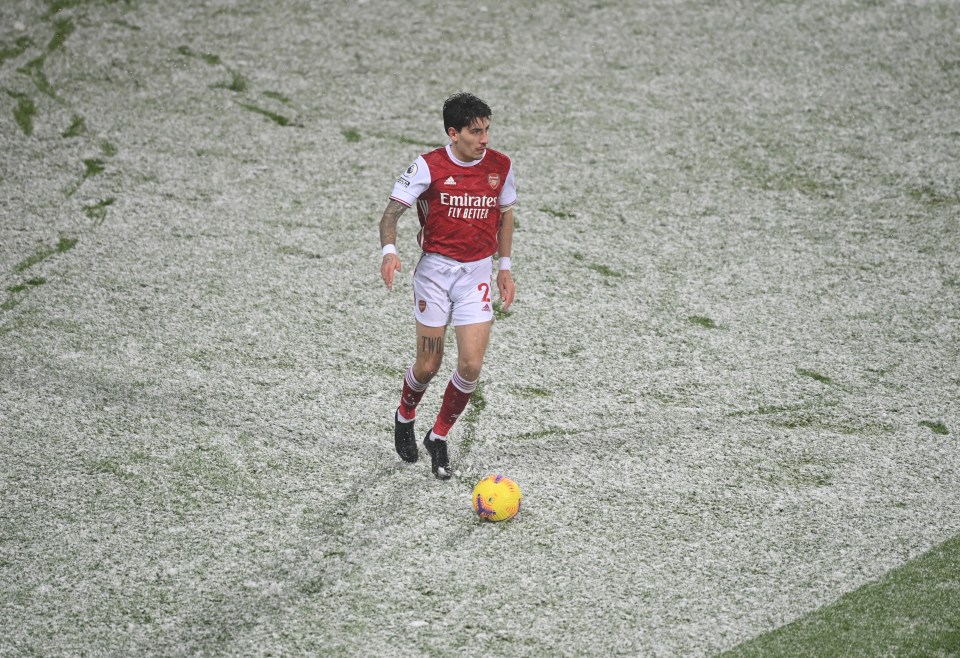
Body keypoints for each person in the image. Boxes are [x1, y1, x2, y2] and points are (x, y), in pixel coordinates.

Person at [378, 92, 517, 480]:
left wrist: (503, 268)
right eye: (476, 132)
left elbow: (506, 217)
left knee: (471, 365)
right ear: (453, 133)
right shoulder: (427, 167)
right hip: (435, 275)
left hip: (476, 275)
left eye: (487, 129)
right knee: (429, 363)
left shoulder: (501, 167)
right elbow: (390, 214)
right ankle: (405, 414)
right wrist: (389, 251)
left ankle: (438, 436)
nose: (485, 139)